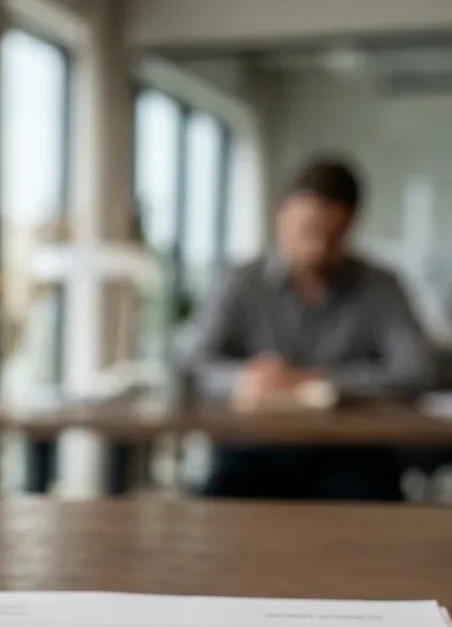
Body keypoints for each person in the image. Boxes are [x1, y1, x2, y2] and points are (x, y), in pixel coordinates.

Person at [181, 156, 437, 501]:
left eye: (332, 236)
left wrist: (314, 382)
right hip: (255, 449)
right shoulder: (239, 282)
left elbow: (416, 370)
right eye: (307, 231)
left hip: (351, 451)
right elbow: (195, 362)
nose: (317, 248)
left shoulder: (381, 286)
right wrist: (244, 378)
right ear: (280, 214)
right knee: (213, 509)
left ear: (352, 225)